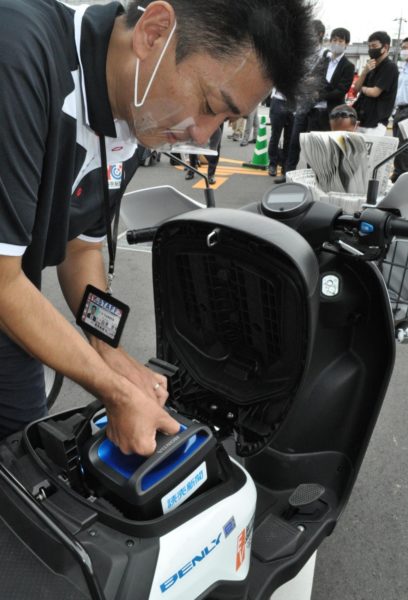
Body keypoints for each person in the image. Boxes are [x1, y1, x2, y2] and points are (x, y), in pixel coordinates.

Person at [0, 0, 316, 455]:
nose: (203, 135)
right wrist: (116, 390)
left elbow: (82, 248)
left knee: (21, 456)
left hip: (11, 307)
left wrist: (110, 352)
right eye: (210, 105)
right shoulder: (19, 52)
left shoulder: (133, 120)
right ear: (154, 32)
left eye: (226, 122)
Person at [285, 19, 329, 173]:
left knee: (312, 145)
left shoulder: (325, 54)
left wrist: (311, 82)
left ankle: (311, 176)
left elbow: (323, 79)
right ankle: (288, 174)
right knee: (294, 141)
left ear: (320, 34)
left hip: (317, 106)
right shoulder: (304, 53)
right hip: (301, 103)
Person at [307, 27, 355, 132]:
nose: (337, 43)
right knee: (312, 144)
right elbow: (312, 77)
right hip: (315, 110)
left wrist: (320, 96)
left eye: (341, 41)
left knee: (328, 145)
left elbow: (341, 90)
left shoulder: (348, 66)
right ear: (330, 42)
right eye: (334, 40)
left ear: (346, 44)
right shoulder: (323, 61)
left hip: (333, 113)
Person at [353, 31, 399, 135]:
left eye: (374, 46)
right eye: (369, 46)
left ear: (385, 47)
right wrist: (365, 71)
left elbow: (374, 92)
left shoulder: (390, 67)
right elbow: (356, 88)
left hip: (376, 123)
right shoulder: (371, 66)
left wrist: (363, 88)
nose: (371, 49)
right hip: (361, 120)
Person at [391, 37, 408, 182]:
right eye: (402, 47)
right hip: (400, 110)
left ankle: (402, 176)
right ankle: (399, 174)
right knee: (398, 145)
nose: (403, 50)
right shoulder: (404, 67)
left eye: (406, 47)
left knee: (405, 147)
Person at [267, 89, 294, 180]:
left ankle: (285, 166)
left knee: (289, 138)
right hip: (279, 101)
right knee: (275, 136)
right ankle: (272, 164)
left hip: (294, 103)